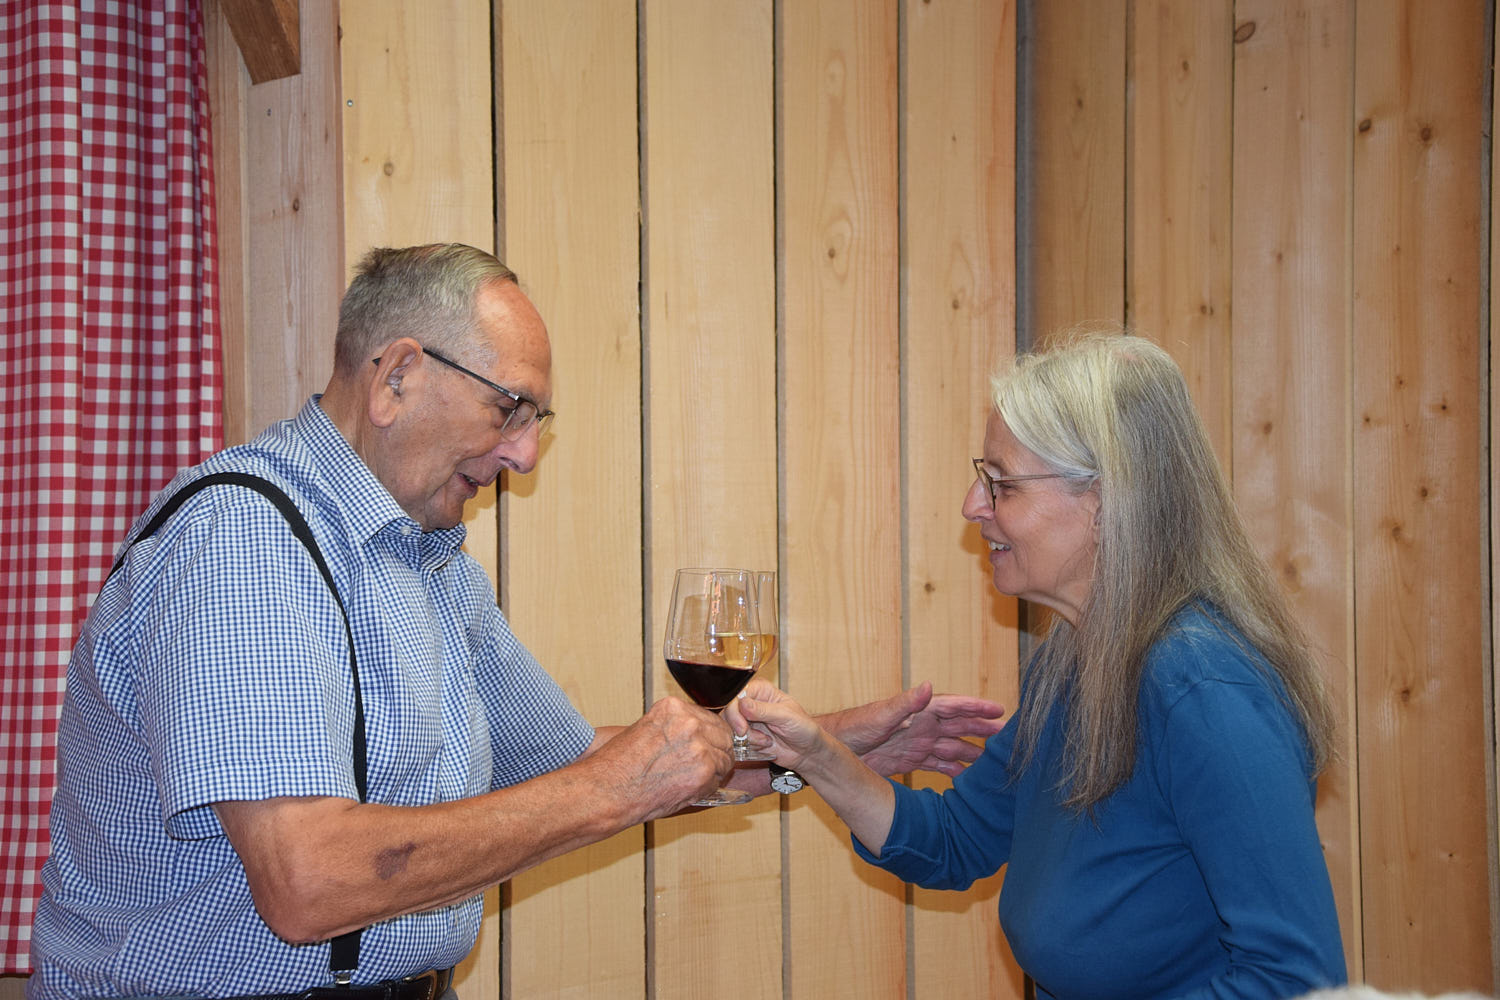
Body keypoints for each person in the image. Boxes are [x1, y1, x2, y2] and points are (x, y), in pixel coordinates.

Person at [29, 243, 1005, 999]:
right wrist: (609, 792)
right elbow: (308, 882)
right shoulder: (246, 543)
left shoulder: (429, 560)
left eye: (537, 421)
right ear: (397, 376)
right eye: (511, 409)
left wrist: (822, 750)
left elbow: (577, 761)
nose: (526, 455)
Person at [733, 330, 1348, 998]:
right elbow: (956, 839)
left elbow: (1293, 982)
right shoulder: (1074, 661)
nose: (972, 506)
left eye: (1002, 484)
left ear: (1107, 500)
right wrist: (818, 757)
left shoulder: (1203, 689)